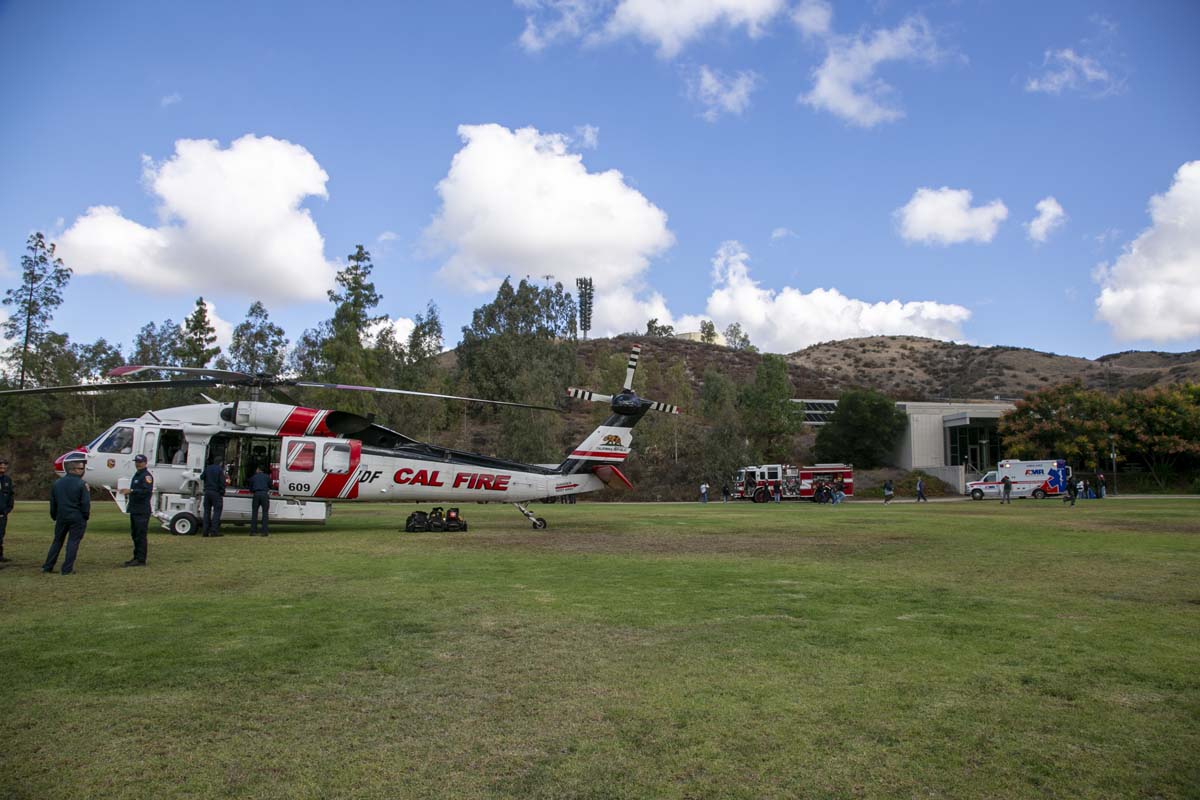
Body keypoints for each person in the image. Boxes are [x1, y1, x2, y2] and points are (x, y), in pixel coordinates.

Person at [43, 452, 90, 575]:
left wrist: (54, 515)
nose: (83, 470)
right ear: (73, 469)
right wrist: (85, 516)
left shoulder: (57, 483)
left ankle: (48, 566)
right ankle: (67, 568)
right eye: (81, 468)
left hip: (61, 517)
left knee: (57, 541)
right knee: (73, 542)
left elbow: (53, 503)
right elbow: (85, 504)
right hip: (76, 517)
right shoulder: (82, 484)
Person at [118, 454, 154, 566]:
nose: (137, 464)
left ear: (145, 463)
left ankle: (141, 559)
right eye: (136, 462)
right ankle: (136, 557)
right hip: (135, 509)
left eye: (140, 462)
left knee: (140, 535)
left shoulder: (146, 476)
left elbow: (146, 491)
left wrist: (132, 491)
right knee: (135, 534)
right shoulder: (137, 475)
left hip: (142, 510)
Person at [202, 458, 225, 537]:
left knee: (206, 512)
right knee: (217, 512)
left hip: (207, 492)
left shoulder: (207, 468)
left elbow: (202, 477)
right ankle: (214, 531)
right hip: (216, 492)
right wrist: (222, 491)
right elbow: (222, 482)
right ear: (220, 463)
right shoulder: (219, 470)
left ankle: (205, 531)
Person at [248, 464, 271, 536]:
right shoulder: (267, 477)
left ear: (258, 469)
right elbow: (270, 485)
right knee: (265, 513)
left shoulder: (254, 477)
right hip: (264, 494)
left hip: (256, 494)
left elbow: (250, 487)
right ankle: (264, 531)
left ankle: (253, 531)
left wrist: (253, 491)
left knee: (254, 513)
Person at [0, 459, 13, 563]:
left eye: (4, 467)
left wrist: (8, 508)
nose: (3, 469)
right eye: (1, 467)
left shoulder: (7, 480)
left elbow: (10, 494)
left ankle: (0, 556)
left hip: (3, 513)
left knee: (1, 534)